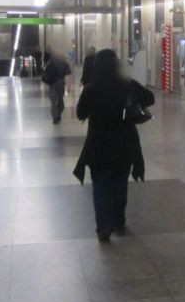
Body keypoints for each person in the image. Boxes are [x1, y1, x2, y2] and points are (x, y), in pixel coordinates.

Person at [74, 49, 155, 242]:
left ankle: (103, 226)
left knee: (101, 187)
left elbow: (80, 113)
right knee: (120, 184)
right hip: (125, 144)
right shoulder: (127, 85)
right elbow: (150, 97)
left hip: (98, 145)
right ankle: (118, 220)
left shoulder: (91, 89)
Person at [42, 50, 72, 124]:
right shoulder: (65, 64)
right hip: (61, 83)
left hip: (52, 83)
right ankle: (57, 115)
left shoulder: (50, 62)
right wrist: (68, 86)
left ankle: (56, 116)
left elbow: (45, 72)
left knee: (53, 101)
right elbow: (67, 76)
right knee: (60, 100)